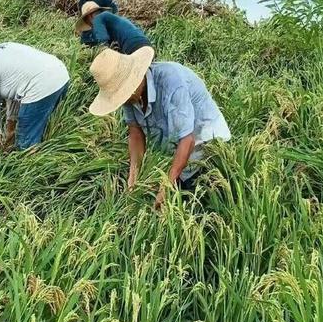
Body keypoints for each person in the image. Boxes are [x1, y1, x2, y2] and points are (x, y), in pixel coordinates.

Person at [88, 47, 231, 207]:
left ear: (134, 81)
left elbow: (187, 140)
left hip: (205, 145)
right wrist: (133, 178)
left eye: (123, 94)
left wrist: (167, 185)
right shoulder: (129, 98)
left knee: (196, 203)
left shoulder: (171, 82)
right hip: (177, 147)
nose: (122, 100)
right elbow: (135, 133)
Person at [76, 3, 152, 54]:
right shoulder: (117, 20)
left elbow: (103, 43)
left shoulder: (97, 19)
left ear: (89, 17)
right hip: (146, 44)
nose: (92, 27)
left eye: (87, 22)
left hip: (133, 46)